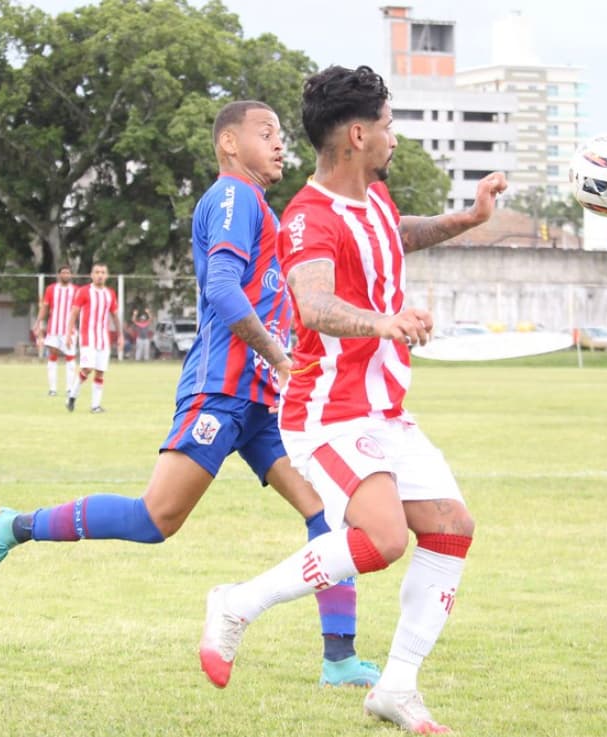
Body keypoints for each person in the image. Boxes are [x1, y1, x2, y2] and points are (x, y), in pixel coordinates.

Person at [0, 100, 380, 688]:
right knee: (154, 519)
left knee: (327, 516)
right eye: (267, 133)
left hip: (259, 400)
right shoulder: (232, 197)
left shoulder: (258, 205)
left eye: (282, 134)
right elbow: (223, 290)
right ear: (230, 145)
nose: (280, 143)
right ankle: (12, 526)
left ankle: (339, 659)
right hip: (222, 389)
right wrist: (282, 358)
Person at [197, 66, 508, 735]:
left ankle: (396, 686)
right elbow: (311, 302)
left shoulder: (373, 200)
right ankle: (236, 603)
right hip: (326, 410)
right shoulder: (308, 216)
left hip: (385, 409)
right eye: (390, 125)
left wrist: (470, 217)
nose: (394, 137)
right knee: (386, 535)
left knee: (452, 525)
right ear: (359, 134)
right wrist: (383, 322)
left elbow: (400, 233)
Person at [65, 263, 123, 413]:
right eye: (97, 272)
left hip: (103, 338)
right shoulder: (84, 291)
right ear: (91, 275)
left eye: (103, 272)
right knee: (87, 368)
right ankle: (72, 395)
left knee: (100, 372)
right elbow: (74, 313)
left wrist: (120, 335)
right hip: (87, 337)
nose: (100, 275)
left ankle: (95, 406)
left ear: (107, 275)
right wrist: (68, 333)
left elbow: (115, 316)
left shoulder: (110, 293)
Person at [35, 266, 78, 397]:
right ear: (59, 275)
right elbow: (45, 307)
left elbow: (79, 310)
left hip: (69, 331)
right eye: (63, 272)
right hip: (53, 329)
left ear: (71, 275)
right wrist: (38, 322)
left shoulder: (76, 290)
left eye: (68, 273)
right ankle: (53, 389)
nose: (65, 274)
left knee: (70, 359)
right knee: (52, 357)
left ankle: (70, 389)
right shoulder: (51, 289)